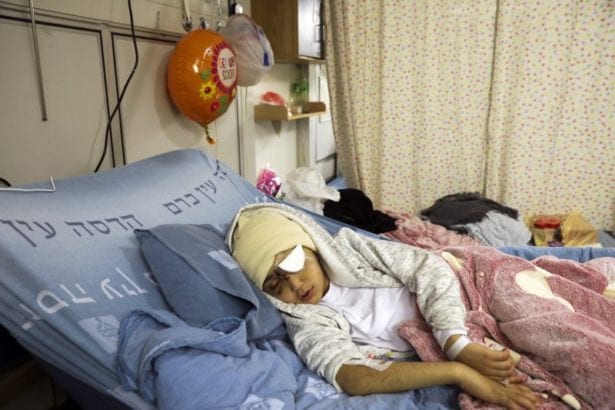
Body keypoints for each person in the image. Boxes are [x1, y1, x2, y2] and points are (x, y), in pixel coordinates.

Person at [226, 203, 541, 409]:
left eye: (295, 262)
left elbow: (429, 267)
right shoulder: (308, 322)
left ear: (312, 246)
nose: (295, 285)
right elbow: (350, 375)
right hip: (445, 341)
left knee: (544, 320)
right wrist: (458, 372)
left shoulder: (351, 247)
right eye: (275, 284)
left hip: (465, 286)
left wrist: (455, 342)